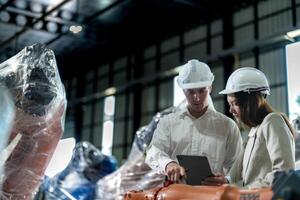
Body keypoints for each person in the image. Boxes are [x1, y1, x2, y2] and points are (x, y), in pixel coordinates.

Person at [145, 59, 243, 183]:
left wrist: (226, 180)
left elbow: (237, 167)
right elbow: (154, 151)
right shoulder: (168, 123)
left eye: (202, 90)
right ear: (183, 90)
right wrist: (168, 164)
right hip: (177, 194)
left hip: (211, 195)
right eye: (190, 91)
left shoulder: (228, 126)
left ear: (210, 87)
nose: (196, 97)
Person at [203, 67, 295, 188]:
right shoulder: (254, 131)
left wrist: (246, 190)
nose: (231, 110)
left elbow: (283, 173)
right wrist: (225, 180)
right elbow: (236, 174)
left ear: (251, 101)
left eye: (235, 103)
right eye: (229, 104)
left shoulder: (272, 122)